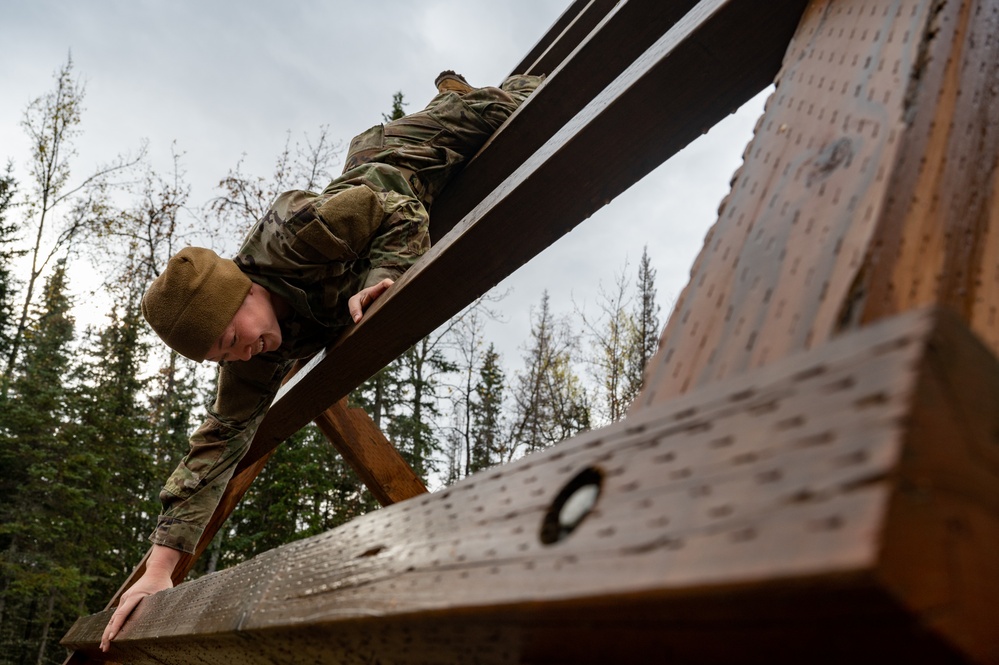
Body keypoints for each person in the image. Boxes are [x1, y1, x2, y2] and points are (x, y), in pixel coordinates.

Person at [100, 70, 543, 651]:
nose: (242, 353)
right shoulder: (253, 361)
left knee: (520, 103)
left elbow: (398, 207)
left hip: (404, 153)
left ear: (242, 292)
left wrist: (385, 274)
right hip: (370, 175)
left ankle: (459, 99)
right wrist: (160, 570)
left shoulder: (298, 233)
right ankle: (452, 95)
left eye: (232, 338)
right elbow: (216, 442)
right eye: (223, 354)